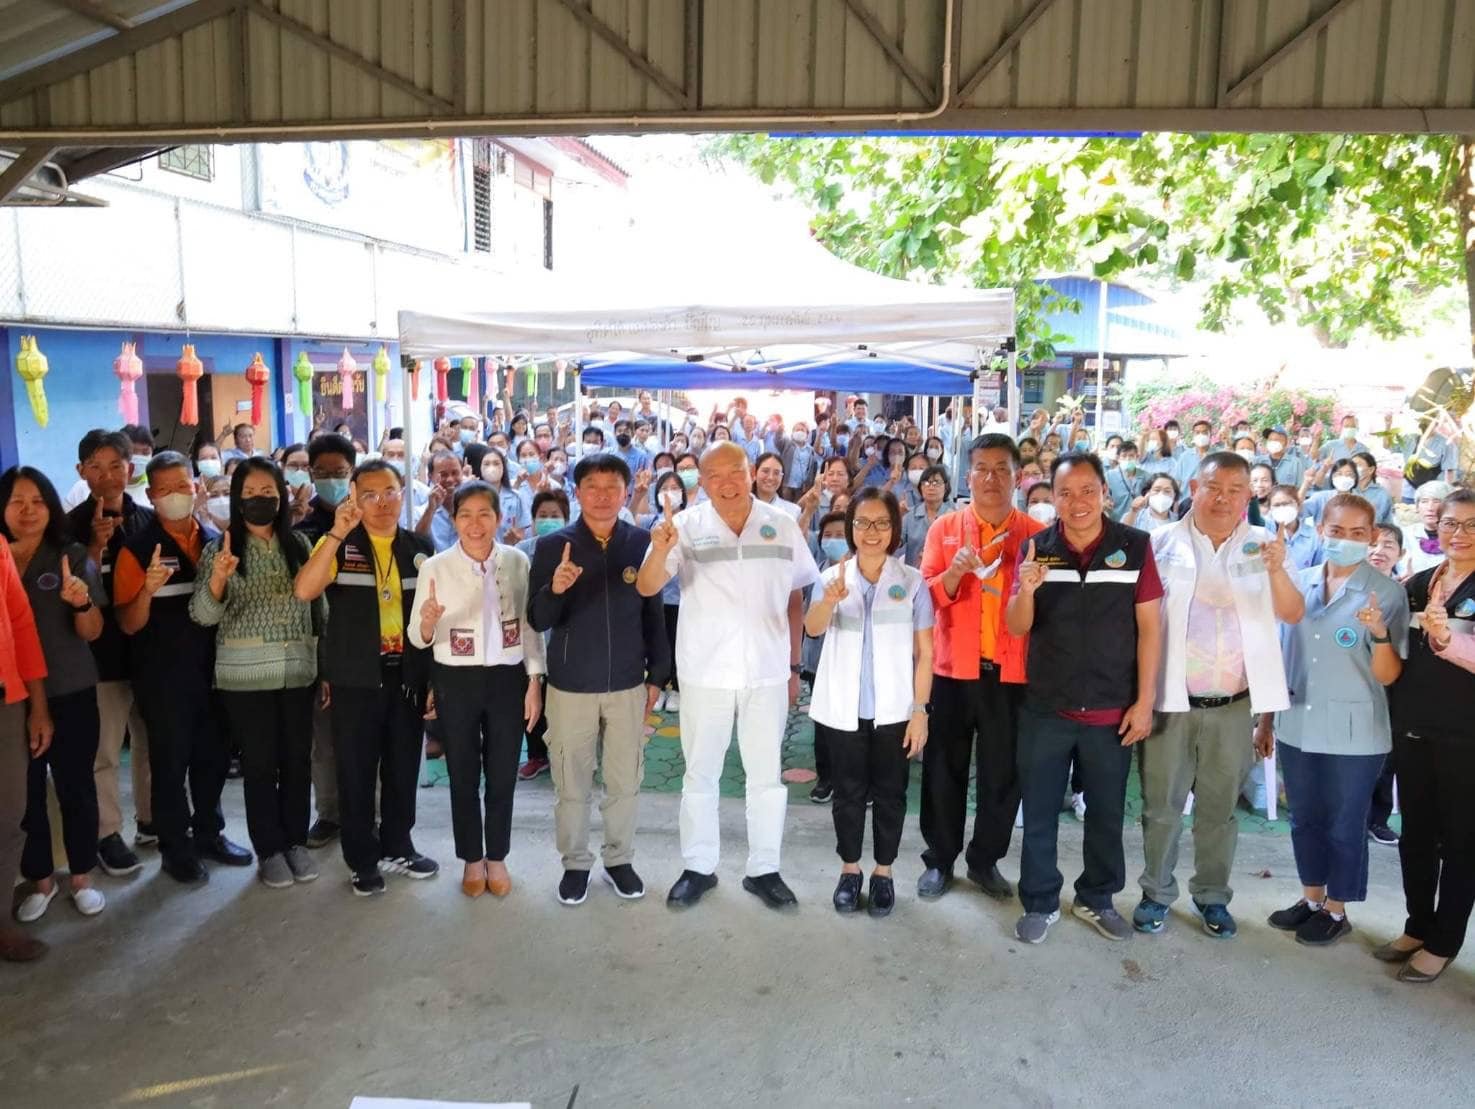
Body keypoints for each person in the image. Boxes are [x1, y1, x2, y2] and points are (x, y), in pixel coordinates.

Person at [637, 441, 820, 909]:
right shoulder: (684, 526)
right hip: (705, 671)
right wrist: (659, 550)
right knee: (701, 773)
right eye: (712, 475)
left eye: (734, 472)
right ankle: (699, 867)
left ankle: (765, 869)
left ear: (752, 471)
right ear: (701, 480)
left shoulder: (781, 523)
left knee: (766, 777)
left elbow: (797, 595)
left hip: (767, 671)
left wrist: (795, 665)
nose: (725, 483)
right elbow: (648, 585)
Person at [1134, 453, 1303, 939]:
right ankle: (1155, 893)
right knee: (1161, 806)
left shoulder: (1262, 547)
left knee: (1219, 811)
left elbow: (1291, 614)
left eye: (1236, 489)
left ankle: (1211, 896)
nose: (1224, 497)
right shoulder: (1159, 543)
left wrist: (1276, 570)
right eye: (1214, 487)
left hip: (1233, 706)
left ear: (1249, 496)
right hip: (1172, 704)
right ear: (1194, 486)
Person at [1005, 451, 1163, 944]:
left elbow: (1150, 629)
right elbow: (1017, 626)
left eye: (1087, 491)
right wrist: (1026, 589)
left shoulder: (1134, 547)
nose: (1077, 503)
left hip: (1111, 709)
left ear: (1104, 493)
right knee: (1040, 810)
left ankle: (1097, 898)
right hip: (1046, 706)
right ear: (1052, 496)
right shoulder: (1036, 548)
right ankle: (1040, 900)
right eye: (1066, 493)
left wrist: (1144, 702)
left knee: (1106, 814)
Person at [1254, 494, 1408, 946]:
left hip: (1356, 733)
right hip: (1298, 722)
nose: (1345, 540)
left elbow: (1389, 674)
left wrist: (1379, 634)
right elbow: (1282, 659)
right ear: (1320, 529)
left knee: (1345, 823)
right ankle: (1312, 898)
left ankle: (1338, 910)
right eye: (1336, 531)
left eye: (1357, 534)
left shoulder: (1386, 592)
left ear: (1373, 537)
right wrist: (1266, 722)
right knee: (1304, 819)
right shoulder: (1296, 582)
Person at [528, 456, 669, 905]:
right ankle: (575, 863)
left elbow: (654, 612)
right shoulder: (554, 547)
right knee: (572, 782)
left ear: (626, 492)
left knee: (625, 778)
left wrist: (657, 674)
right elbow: (537, 617)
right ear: (577, 492)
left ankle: (618, 859)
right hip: (570, 686)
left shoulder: (641, 542)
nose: (603, 495)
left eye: (613, 486)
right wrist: (557, 588)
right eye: (593, 486)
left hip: (628, 682)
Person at [293, 459, 438, 896]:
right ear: (353, 497)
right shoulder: (338, 544)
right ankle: (361, 857)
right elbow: (304, 590)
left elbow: (432, 619)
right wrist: (336, 532)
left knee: (401, 766)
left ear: (402, 492)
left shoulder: (419, 548)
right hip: (356, 679)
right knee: (355, 771)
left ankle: (398, 844)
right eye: (369, 494)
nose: (381, 502)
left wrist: (432, 681)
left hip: (407, 677)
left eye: (390, 491)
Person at [917, 434, 1045, 902]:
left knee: (1003, 773)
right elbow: (926, 597)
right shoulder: (945, 530)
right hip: (953, 671)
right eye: (982, 469)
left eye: (1002, 469)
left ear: (1017, 477)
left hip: (1011, 675)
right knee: (943, 770)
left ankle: (985, 859)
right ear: (967, 476)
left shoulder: (1035, 535)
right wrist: (955, 572)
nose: (991, 478)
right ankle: (940, 859)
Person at [114, 452, 252, 883]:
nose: (176, 495)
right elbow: (128, 624)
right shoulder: (136, 549)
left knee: (212, 759)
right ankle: (175, 848)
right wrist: (147, 592)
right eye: (165, 489)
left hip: (215, 673)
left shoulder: (215, 539)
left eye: (183, 486)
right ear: (151, 495)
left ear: (196, 486)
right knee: (170, 765)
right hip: (164, 679)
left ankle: (209, 833)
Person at [189, 459, 320, 889]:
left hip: (298, 672)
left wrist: (324, 669)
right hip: (245, 679)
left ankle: (295, 841)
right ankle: (269, 848)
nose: (260, 499)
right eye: (250, 493)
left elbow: (320, 611)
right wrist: (218, 581)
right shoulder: (221, 549)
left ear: (282, 496)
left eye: (269, 491)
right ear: (237, 498)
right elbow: (204, 616)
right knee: (261, 765)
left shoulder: (299, 544)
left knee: (298, 761)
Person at [409, 482, 543, 898]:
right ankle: (471, 858)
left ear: (499, 519)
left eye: (485, 514)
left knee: (502, 772)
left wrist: (534, 680)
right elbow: (417, 636)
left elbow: (530, 626)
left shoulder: (518, 562)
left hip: (507, 679)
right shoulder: (435, 566)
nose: (475, 523)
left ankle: (497, 856)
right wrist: (429, 621)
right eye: (465, 514)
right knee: (463, 774)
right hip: (456, 680)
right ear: (454, 520)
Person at [804, 490, 932, 917]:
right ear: (851, 528)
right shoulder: (831, 578)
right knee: (848, 793)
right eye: (862, 523)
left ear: (895, 529)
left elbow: (925, 654)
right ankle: (849, 869)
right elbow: (813, 629)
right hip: (844, 707)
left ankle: (884, 872)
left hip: (895, 711)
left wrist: (920, 711)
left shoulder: (912, 581)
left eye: (881, 523)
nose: (871, 532)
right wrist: (829, 600)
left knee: (892, 794)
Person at [1, 468, 105, 922]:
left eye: (38, 501)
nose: (28, 511)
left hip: (70, 689)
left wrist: (79, 601)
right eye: (17, 502)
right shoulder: (1, 556)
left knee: (75, 784)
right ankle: (40, 879)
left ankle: (81, 874)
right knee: (24, 795)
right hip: (12, 698)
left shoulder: (69, 554)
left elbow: (93, 630)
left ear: (51, 507)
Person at [1381, 488, 1475, 982]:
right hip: (1414, 728)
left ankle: (1444, 941)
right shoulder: (1418, 583)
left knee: (1462, 842)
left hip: (1466, 736)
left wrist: (1447, 640)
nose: (1458, 534)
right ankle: (1418, 925)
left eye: (1471, 525)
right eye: (1450, 523)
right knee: (1414, 835)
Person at [65, 429, 155, 877]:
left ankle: (153, 820)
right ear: (81, 472)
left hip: (150, 655)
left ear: (131, 470)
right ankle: (107, 833)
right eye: (95, 467)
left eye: (116, 466)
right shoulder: (65, 528)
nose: (107, 476)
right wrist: (94, 548)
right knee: (103, 752)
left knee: (150, 742)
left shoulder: (147, 519)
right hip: (99, 660)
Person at [0, 523, 52, 961]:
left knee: (7, 817)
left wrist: (37, 705)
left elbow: (21, 624)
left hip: (7, 702)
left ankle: (2, 922)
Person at [639, 471, 687, 714]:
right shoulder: (652, 521)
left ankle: (677, 687)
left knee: (679, 641)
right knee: (658, 641)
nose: (670, 491)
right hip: (655, 596)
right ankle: (657, 683)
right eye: (665, 487)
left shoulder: (690, 521)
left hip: (682, 596)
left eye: (675, 487)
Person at [901, 463, 954, 568]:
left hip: (943, 576)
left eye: (936, 483)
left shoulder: (953, 517)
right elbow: (896, 542)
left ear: (946, 487)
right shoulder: (910, 516)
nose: (931, 487)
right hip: (914, 576)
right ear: (920, 487)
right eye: (926, 483)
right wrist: (896, 519)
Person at [1401, 480, 1453, 576]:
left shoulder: (1459, 537)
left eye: (1437, 501)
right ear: (1417, 507)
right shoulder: (1405, 534)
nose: (1430, 507)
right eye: (1424, 501)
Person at [1265, 484, 1323, 571]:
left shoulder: (1314, 536)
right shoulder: (1264, 532)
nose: (1282, 508)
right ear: (1270, 509)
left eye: (1287, 503)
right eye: (1277, 505)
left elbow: (1318, 570)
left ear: (1298, 505)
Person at [416, 450, 464, 553]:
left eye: (455, 473)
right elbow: (416, 543)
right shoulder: (421, 513)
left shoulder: (472, 508)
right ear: (430, 476)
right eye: (443, 475)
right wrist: (430, 510)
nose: (450, 479)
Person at [752, 452, 801, 520]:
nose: (770, 477)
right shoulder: (738, 506)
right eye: (765, 471)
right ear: (754, 472)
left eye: (776, 473)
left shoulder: (793, 512)